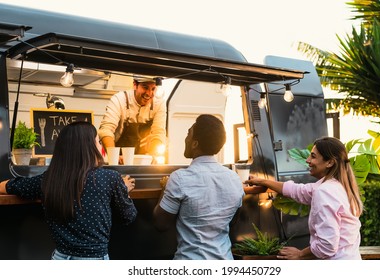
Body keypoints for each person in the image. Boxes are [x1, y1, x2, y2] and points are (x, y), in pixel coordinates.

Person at [0, 121, 137, 260]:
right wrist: (123, 190)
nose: (101, 147)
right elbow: (128, 216)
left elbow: (6, 186)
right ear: (88, 147)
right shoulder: (110, 178)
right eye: (98, 142)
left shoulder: (47, 180)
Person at [245, 136, 363, 260]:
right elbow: (298, 191)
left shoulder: (325, 192)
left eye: (313, 156)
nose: (307, 160)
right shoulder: (339, 186)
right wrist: (263, 181)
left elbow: (327, 245)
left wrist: (300, 254)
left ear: (330, 162)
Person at [152, 114, 244, 260]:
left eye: (188, 133)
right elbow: (232, 221)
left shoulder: (180, 178)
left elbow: (161, 224)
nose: (185, 138)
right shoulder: (235, 178)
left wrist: (165, 187)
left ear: (195, 144)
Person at [98, 77, 166, 158]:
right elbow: (106, 130)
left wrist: (153, 155)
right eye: (145, 87)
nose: (149, 93)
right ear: (135, 85)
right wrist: (114, 157)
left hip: (145, 158)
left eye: (153, 89)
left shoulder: (159, 103)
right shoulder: (119, 99)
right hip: (119, 156)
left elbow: (158, 133)